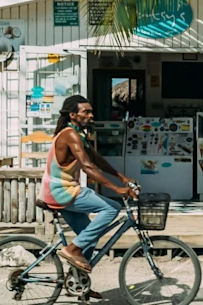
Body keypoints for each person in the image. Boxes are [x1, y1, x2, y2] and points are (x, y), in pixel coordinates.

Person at [40, 95, 136, 286]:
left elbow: (96, 159)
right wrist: (116, 189)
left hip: (61, 191)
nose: (91, 115)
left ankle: (78, 283)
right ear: (73, 114)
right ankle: (72, 250)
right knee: (112, 208)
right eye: (87, 112)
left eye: (91, 111)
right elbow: (87, 167)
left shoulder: (78, 133)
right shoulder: (70, 134)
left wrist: (121, 177)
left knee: (88, 237)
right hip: (62, 191)